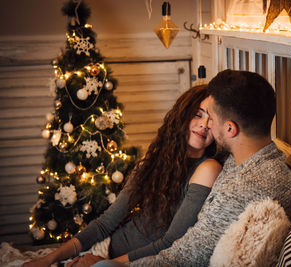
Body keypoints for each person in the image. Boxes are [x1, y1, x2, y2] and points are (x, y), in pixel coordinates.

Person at [94, 69, 291, 267]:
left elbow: (180, 259)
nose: (206, 125)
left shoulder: (241, 190)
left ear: (230, 128)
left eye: (211, 117)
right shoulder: (257, 161)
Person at [22, 85, 223, 267]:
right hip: (107, 249)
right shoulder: (156, 159)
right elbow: (106, 222)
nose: (204, 124)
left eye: (211, 120)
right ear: (182, 116)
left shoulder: (208, 168)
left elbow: (171, 243)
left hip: (133, 262)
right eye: (198, 115)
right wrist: (47, 260)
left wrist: (104, 263)